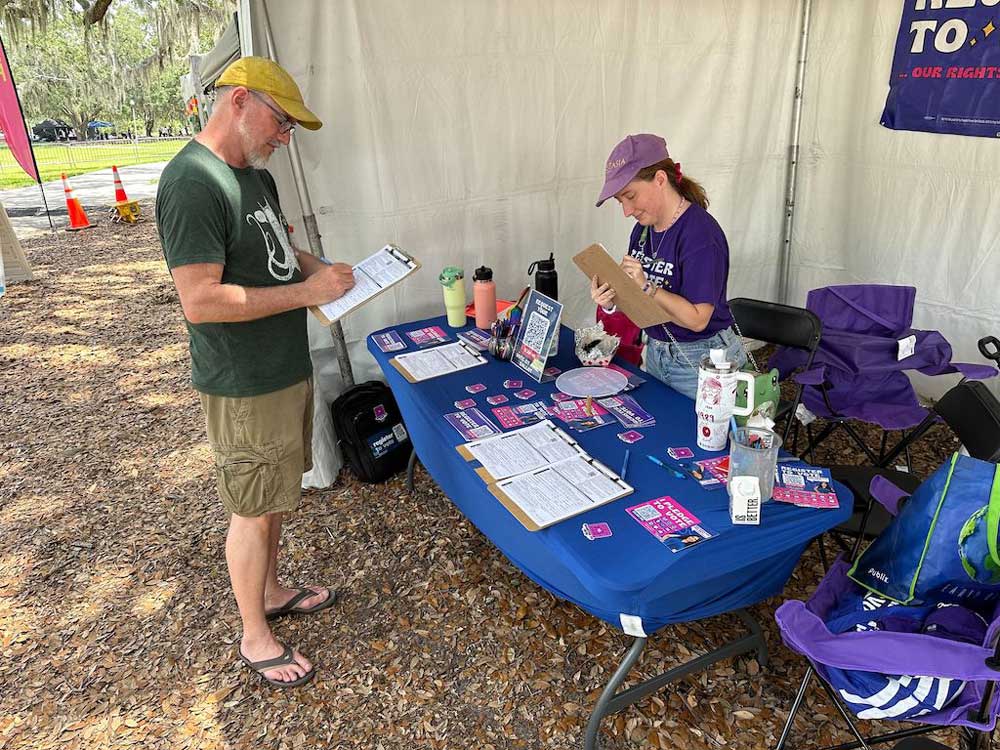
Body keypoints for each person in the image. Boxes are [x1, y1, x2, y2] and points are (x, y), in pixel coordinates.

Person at [156, 56, 356, 689]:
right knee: (250, 506)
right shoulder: (191, 181)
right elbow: (201, 300)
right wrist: (308, 293)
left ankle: (269, 590)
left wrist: (320, 269)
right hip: (243, 381)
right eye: (280, 120)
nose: (284, 136)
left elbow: (277, 251)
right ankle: (254, 633)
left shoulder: (255, 178)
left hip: (282, 366)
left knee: (272, 496)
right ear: (239, 100)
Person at [592, 134, 745, 399]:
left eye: (630, 196)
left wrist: (646, 287)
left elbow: (697, 320)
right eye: (620, 202)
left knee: (700, 438)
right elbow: (641, 303)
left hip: (702, 359)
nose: (627, 211)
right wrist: (611, 300)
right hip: (657, 351)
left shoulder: (700, 234)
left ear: (660, 180)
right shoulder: (642, 231)